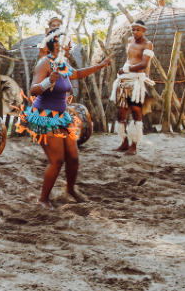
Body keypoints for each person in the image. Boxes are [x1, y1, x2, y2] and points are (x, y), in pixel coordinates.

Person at [15, 27, 113, 210]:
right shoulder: (44, 63)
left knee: (74, 158)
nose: (67, 45)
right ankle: (43, 199)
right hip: (44, 117)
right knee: (57, 160)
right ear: (54, 44)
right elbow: (33, 90)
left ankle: (70, 189)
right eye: (63, 42)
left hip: (62, 118)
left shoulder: (63, 64)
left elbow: (76, 74)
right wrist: (48, 82)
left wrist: (100, 66)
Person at [110, 19, 154, 156]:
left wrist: (128, 69)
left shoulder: (148, 44)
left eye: (138, 30)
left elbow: (144, 64)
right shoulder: (129, 41)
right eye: (133, 29)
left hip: (135, 81)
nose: (134, 32)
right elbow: (129, 59)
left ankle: (133, 146)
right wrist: (124, 70)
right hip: (123, 80)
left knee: (135, 112)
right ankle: (124, 142)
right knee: (120, 113)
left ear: (144, 31)